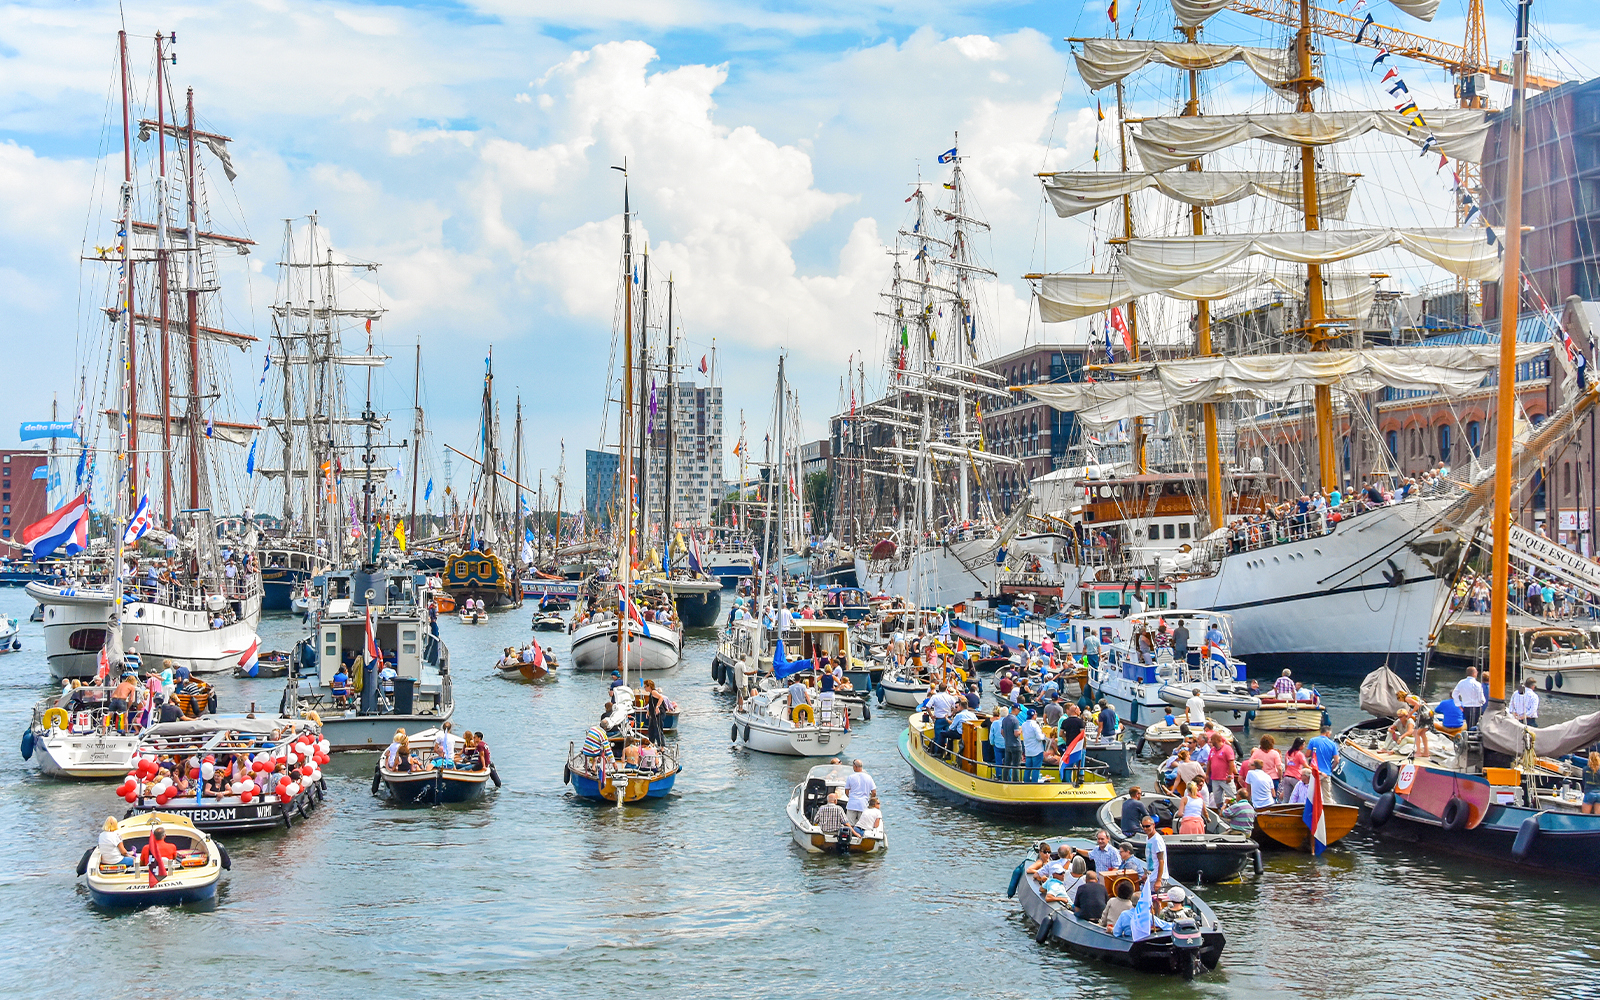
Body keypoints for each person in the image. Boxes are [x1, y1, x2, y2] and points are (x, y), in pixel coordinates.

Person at [1206, 731, 1237, 808]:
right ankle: (1221, 811)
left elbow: (1231, 762)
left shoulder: (1227, 749)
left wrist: (1229, 775)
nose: (1210, 741)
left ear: (1216, 739)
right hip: (1215, 779)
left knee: (1233, 797)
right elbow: (1209, 762)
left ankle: (1235, 807)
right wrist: (1207, 774)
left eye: (1211, 739)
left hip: (1225, 778)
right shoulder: (1212, 750)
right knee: (1217, 799)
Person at [843, 759, 876, 826]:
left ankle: (851, 835)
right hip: (863, 804)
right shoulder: (868, 777)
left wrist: (850, 797)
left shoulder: (850, 777)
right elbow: (874, 792)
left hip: (852, 804)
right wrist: (870, 799)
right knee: (862, 824)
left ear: (855, 766)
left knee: (850, 824)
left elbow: (846, 791)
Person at [1140, 814, 1167, 891]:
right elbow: (1151, 859)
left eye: (1148, 826)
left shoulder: (1157, 840)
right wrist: (1146, 874)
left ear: (1153, 825)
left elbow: (1161, 861)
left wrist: (1158, 880)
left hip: (1157, 878)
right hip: (1151, 876)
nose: (1145, 828)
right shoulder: (1148, 838)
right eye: (1143, 826)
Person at [1280, 737, 1308, 802]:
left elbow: (1286, 765)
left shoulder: (1288, 753)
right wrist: (1315, 770)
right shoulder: (1300, 754)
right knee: (1299, 797)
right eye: (1304, 745)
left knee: (1286, 798)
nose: (1304, 746)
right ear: (1300, 746)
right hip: (1296, 777)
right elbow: (1306, 766)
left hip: (1287, 776)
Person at [1021, 710, 1046, 782]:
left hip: (1028, 750)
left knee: (1028, 769)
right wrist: (1043, 735)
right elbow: (1039, 738)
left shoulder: (1024, 725)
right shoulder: (1035, 725)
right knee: (1036, 769)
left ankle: (1026, 783)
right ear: (1033, 716)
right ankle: (1034, 783)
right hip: (1037, 750)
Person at [1001, 705, 1023, 781]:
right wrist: (1021, 730)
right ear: (1016, 710)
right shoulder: (1015, 720)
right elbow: (1016, 733)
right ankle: (1015, 782)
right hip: (1016, 745)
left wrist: (1007, 737)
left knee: (1007, 765)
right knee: (1016, 766)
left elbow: (1002, 732)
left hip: (1007, 745)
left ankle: (1005, 780)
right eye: (1019, 711)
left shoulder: (1005, 719)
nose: (1019, 713)